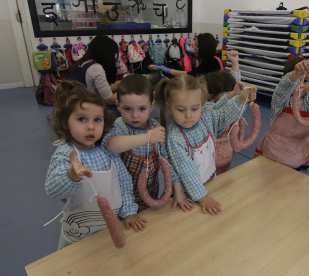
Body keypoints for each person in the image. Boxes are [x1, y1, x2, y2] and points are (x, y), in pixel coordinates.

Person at [45, 81, 147, 249]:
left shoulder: (107, 152)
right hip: (78, 238)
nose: (91, 126)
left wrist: (129, 212)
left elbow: (123, 183)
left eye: (97, 120)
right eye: (82, 119)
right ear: (65, 122)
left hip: (109, 232)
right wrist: (72, 174)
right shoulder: (66, 154)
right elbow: (53, 190)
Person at [155, 75, 256, 215]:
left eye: (194, 109)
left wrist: (240, 99)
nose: (189, 115)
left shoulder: (205, 116)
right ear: (170, 108)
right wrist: (202, 198)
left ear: (201, 105)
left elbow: (222, 113)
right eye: (181, 110)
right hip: (189, 192)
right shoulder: (175, 137)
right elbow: (186, 171)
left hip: (210, 181)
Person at [101, 75, 176, 212]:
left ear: (151, 106)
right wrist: (146, 137)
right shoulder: (119, 126)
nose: (135, 115)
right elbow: (110, 146)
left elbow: (167, 161)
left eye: (142, 109)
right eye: (128, 109)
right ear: (118, 105)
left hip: (150, 194)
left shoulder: (155, 127)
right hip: (122, 201)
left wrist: (176, 191)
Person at [254, 58, 309, 170]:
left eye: (305, 81)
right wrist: (295, 73)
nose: (301, 86)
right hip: (274, 151)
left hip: (298, 152)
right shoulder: (281, 99)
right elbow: (283, 89)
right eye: (297, 81)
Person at [149, 33, 240, 80]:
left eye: (196, 45)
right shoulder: (212, 59)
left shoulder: (211, 62)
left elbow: (190, 74)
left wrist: (165, 69)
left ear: (203, 47)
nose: (194, 48)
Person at [65, 35, 119, 115]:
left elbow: (102, 90)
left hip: (72, 107)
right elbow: (109, 100)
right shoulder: (96, 68)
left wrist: (119, 85)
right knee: (124, 110)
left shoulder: (80, 64)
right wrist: (126, 92)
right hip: (85, 110)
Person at [205, 70, 245, 174]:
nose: (233, 97)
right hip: (213, 158)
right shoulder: (212, 112)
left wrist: (235, 62)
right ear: (212, 97)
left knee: (224, 176)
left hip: (227, 154)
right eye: (228, 94)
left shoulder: (227, 106)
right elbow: (228, 109)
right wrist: (240, 98)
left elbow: (233, 93)